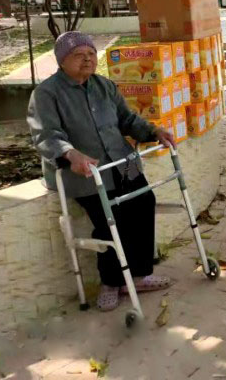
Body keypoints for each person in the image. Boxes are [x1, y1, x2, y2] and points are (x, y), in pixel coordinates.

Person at [27, 31, 175, 311]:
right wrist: (71, 154)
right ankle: (111, 282)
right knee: (111, 219)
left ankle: (139, 275)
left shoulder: (104, 85)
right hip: (85, 171)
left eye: (91, 54)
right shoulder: (46, 94)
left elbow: (127, 119)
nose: (87, 59)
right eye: (78, 55)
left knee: (144, 202)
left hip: (122, 161)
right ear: (61, 61)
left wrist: (154, 131)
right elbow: (46, 135)